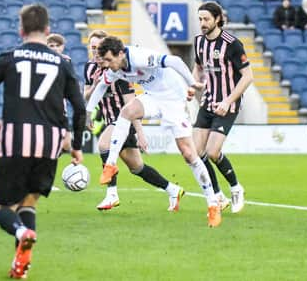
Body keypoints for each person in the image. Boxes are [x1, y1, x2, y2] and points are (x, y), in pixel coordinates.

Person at [0, 3, 86, 279]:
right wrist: (78, 146)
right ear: (48, 30)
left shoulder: (9, 57)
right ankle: (20, 265)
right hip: (50, 142)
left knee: (2, 208)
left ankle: (21, 232)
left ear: (21, 29)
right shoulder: (62, 63)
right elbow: (80, 108)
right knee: (28, 203)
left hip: (17, 137)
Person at [85, 36, 222, 228]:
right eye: (104, 61)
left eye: (109, 60)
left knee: (189, 154)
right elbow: (101, 87)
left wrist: (192, 83)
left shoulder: (140, 57)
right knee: (127, 111)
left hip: (174, 99)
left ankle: (213, 204)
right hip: (153, 97)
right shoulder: (115, 69)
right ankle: (111, 165)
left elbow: (174, 60)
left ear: (121, 53)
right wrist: (88, 112)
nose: (106, 65)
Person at [83, 30, 184, 212]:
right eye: (92, 49)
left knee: (103, 145)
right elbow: (87, 93)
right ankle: (173, 189)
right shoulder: (90, 69)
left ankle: (111, 195)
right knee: (137, 168)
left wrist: (140, 132)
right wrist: (90, 103)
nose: (96, 53)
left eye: (98, 49)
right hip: (109, 120)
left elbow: (131, 103)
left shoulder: (118, 69)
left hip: (122, 121)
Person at [192, 1, 253, 214]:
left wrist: (228, 101)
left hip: (228, 104)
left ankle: (236, 188)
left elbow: (248, 76)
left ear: (218, 18)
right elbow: (198, 68)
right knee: (197, 153)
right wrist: (194, 84)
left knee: (213, 151)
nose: (202, 23)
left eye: (206, 19)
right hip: (207, 102)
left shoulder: (232, 43)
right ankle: (218, 196)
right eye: (200, 19)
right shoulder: (198, 42)